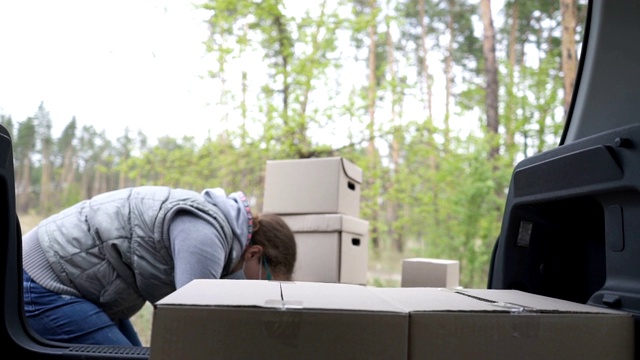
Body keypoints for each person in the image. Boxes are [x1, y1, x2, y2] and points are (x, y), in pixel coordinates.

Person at [21, 186, 297, 346]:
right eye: (267, 281)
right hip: (45, 279)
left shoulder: (222, 237)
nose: (259, 292)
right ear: (254, 254)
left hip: (75, 279)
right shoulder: (206, 237)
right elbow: (191, 329)